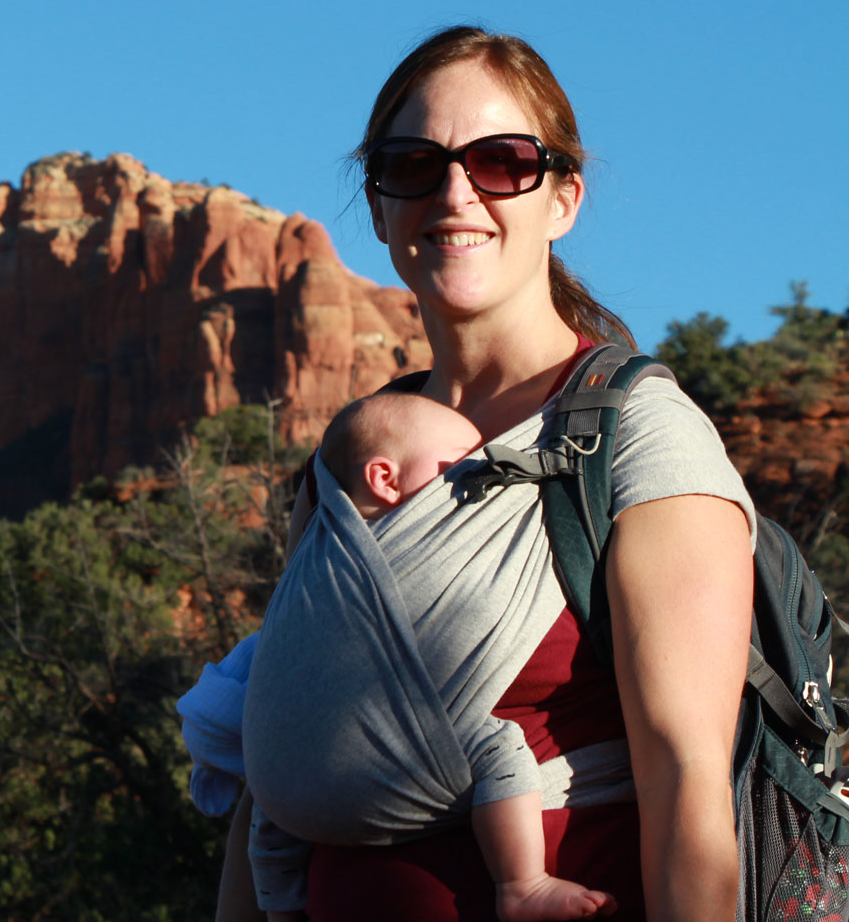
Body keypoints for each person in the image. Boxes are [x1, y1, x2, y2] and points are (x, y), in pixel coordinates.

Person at [216, 26, 755, 922]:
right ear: (381, 205)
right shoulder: (352, 462)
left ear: (564, 198)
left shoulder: (637, 435)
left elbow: (687, 785)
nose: (456, 192)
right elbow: (271, 764)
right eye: (412, 164)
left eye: (503, 161)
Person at [185, 393, 616, 922]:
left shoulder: (321, 559)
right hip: (393, 762)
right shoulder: (397, 556)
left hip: (297, 791)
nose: (480, 476)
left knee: (274, 815)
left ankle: (282, 912)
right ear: (385, 479)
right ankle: (522, 884)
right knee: (499, 744)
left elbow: (270, 650)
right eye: (460, 466)